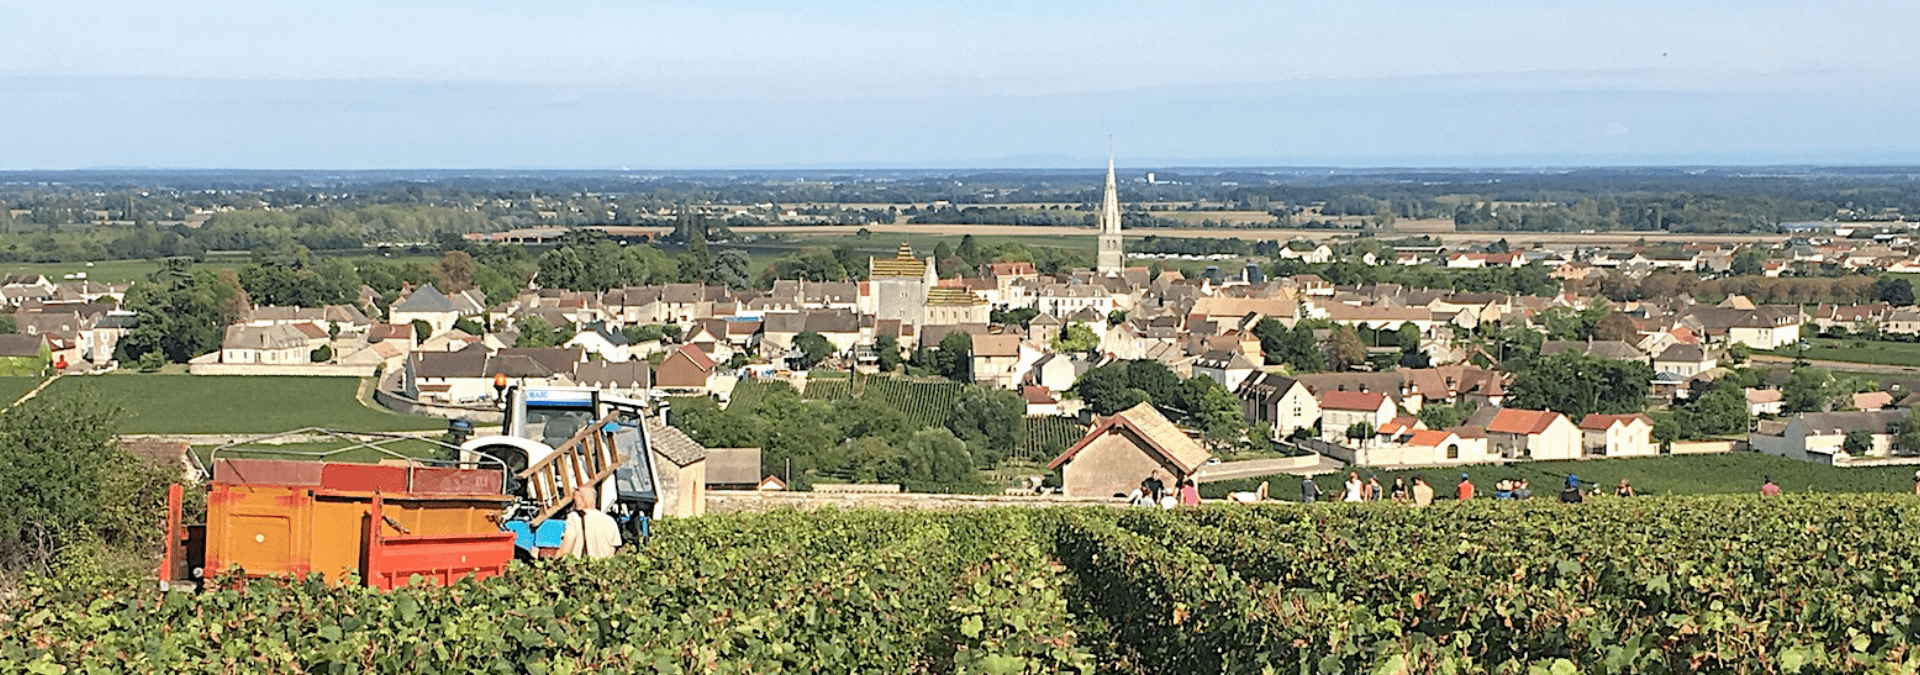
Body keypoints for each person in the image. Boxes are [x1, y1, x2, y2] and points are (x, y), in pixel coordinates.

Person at [558, 486, 621, 559]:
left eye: (575, 499)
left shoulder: (574, 517)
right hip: (602, 568)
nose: (574, 504)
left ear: (582, 499)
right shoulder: (610, 521)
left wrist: (555, 564)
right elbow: (611, 553)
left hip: (580, 568)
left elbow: (566, 547)